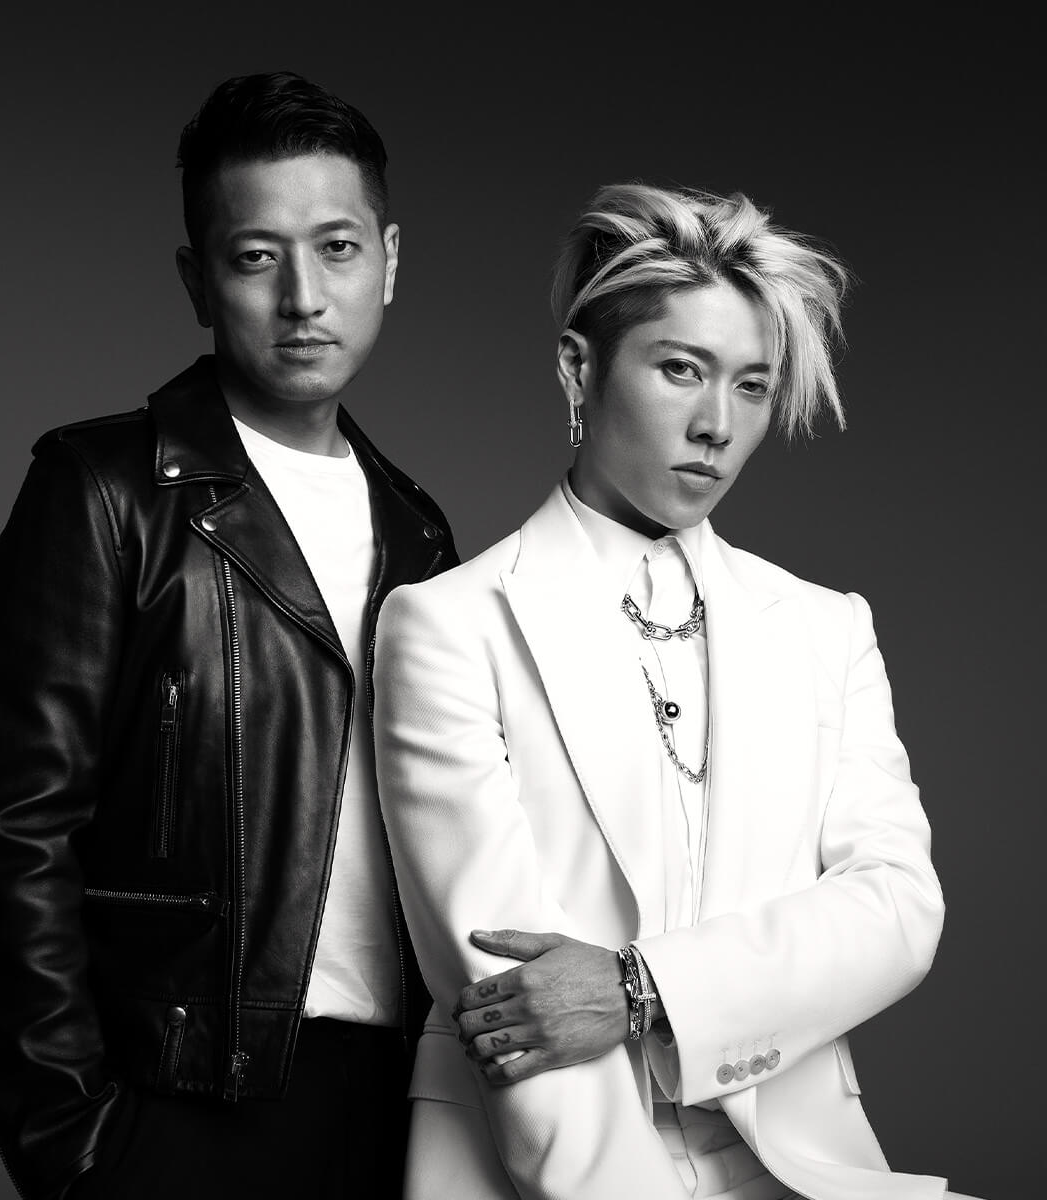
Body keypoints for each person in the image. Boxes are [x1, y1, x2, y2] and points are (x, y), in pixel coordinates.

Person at [374, 184, 981, 1199]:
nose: (717, 425)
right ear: (580, 367)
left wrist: (640, 988)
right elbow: (511, 1008)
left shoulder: (825, 627)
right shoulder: (448, 625)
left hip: (801, 1164)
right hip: (538, 1168)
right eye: (680, 369)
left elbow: (896, 908)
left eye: (753, 386)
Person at [0, 71, 456, 1200]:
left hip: (398, 1109)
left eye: (337, 249)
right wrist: (77, 1146)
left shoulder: (418, 533)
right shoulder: (105, 490)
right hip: (177, 1105)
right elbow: (9, 839)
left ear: (389, 261)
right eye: (256, 256)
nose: (304, 298)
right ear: (198, 280)